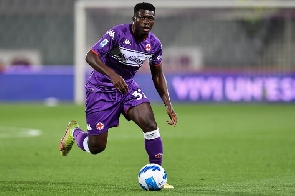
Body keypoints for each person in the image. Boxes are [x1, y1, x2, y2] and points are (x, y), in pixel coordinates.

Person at [59, 2, 177, 189]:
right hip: (101, 89)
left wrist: (167, 104)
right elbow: (91, 56)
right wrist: (112, 75)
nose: (146, 22)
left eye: (150, 18)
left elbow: (157, 74)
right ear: (134, 19)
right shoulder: (118, 33)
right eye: (142, 17)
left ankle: (157, 175)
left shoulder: (153, 44)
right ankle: (74, 132)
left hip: (127, 88)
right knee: (97, 146)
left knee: (150, 124)